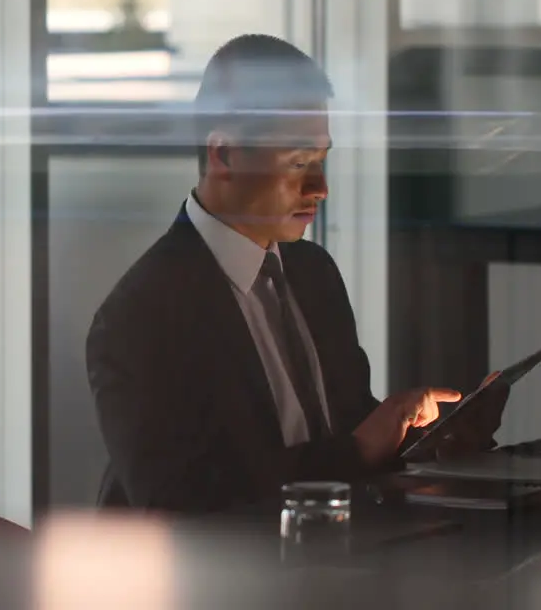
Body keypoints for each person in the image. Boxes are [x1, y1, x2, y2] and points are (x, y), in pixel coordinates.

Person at [85, 34, 507, 513]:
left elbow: (347, 433)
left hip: (337, 563)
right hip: (224, 584)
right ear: (223, 155)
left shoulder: (313, 273)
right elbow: (181, 507)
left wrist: (426, 438)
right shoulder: (140, 315)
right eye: (300, 162)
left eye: (322, 160)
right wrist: (360, 449)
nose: (320, 188)